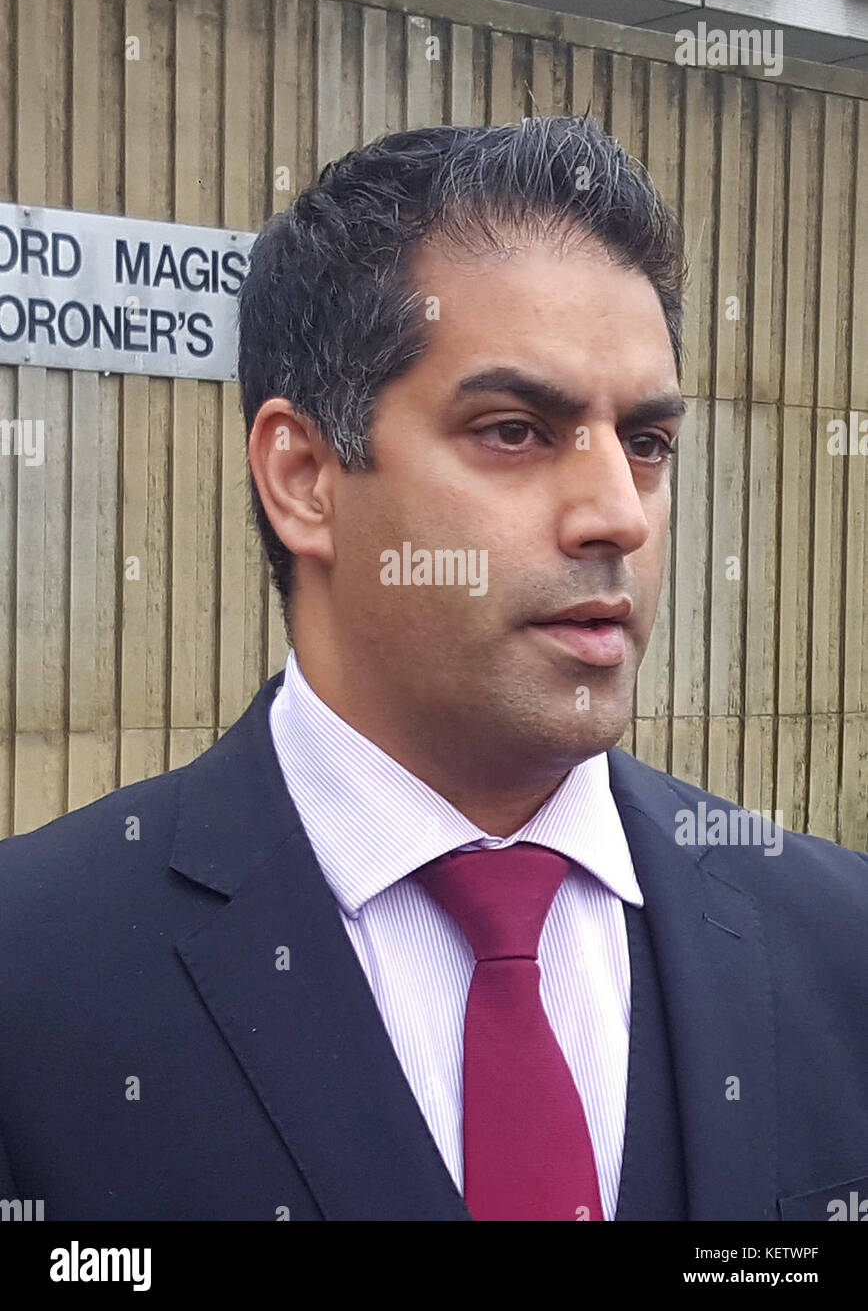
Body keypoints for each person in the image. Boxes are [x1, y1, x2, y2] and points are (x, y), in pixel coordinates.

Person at [1, 117, 866, 1222]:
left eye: (644, 442)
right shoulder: (32, 976)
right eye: (514, 430)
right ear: (305, 476)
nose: (617, 514)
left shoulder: (839, 941)